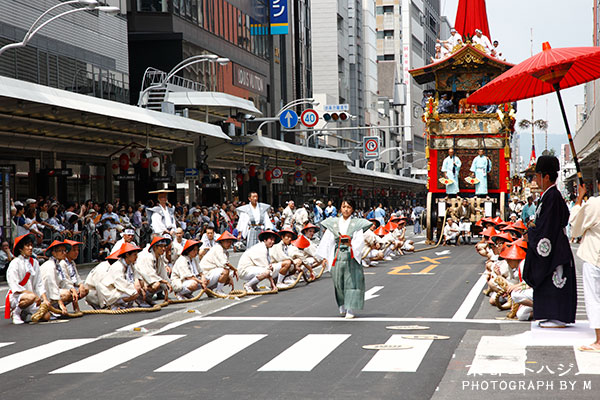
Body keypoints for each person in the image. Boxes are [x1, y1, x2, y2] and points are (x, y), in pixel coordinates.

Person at [522, 156, 576, 328]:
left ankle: (557, 316)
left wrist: (531, 233)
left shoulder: (552, 196)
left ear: (546, 176)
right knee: (550, 281)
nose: (534, 180)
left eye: (536, 176)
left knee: (555, 279)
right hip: (555, 245)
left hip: (554, 248)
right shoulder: (548, 197)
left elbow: (547, 228)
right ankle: (551, 314)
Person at [317, 198, 372, 319]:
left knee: (351, 282)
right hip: (337, 254)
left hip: (351, 255)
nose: (346, 209)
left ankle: (350, 308)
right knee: (338, 282)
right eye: (343, 207)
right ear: (340, 208)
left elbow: (359, 241)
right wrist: (325, 257)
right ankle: (341, 303)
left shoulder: (357, 223)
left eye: (348, 207)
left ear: (352, 209)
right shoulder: (334, 223)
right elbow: (328, 241)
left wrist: (352, 246)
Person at [569, 179, 600, 351]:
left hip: (595, 256)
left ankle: (599, 341)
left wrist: (580, 199)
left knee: (595, 299)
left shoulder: (595, 204)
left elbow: (575, 228)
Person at [4, 233, 49, 324]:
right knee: (30, 297)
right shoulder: (14, 263)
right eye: (27, 246)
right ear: (21, 248)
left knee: (46, 316)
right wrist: (33, 295)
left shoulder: (35, 263)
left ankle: (25, 312)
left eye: (31, 245)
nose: (30, 248)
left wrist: (45, 300)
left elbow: (39, 283)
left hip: (33, 297)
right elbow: (14, 285)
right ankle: (16, 312)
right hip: (17, 296)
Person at [39, 240, 79, 316]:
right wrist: (61, 304)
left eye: (65, 251)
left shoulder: (57, 264)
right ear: (54, 253)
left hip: (51, 293)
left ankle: (55, 308)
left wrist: (72, 289)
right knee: (66, 294)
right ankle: (55, 308)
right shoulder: (50, 265)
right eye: (61, 251)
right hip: (44, 295)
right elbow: (52, 286)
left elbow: (63, 281)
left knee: (71, 292)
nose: (64, 253)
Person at [134, 235, 173, 306]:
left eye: (164, 246)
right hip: (139, 279)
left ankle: (148, 298)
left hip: (147, 279)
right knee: (156, 284)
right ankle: (141, 299)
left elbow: (163, 274)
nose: (164, 249)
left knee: (164, 284)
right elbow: (149, 275)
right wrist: (165, 282)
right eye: (161, 246)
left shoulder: (159, 257)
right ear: (155, 247)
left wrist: (167, 288)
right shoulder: (147, 256)